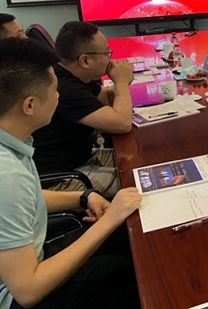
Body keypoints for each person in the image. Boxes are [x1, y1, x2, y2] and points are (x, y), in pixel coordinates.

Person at [0, 37, 142, 309]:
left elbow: (28, 198)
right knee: (131, 271)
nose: (59, 96)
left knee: (129, 235)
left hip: (32, 255)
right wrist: (108, 221)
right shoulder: (7, 175)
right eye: (55, 91)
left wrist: (83, 197)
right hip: (20, 295)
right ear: (29, 105)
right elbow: (27, 291)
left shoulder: (14, 139)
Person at [33, 21, 134, 198]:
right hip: (63, 178)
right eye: (106, 53)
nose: (110, 58)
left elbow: (105, 98)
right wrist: (121, 82)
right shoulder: (66, 87)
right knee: (137, 181)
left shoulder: (71, 74)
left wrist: (121, 82)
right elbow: (122, 124)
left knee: (141, 158)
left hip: (83, 156)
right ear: (85, 60)